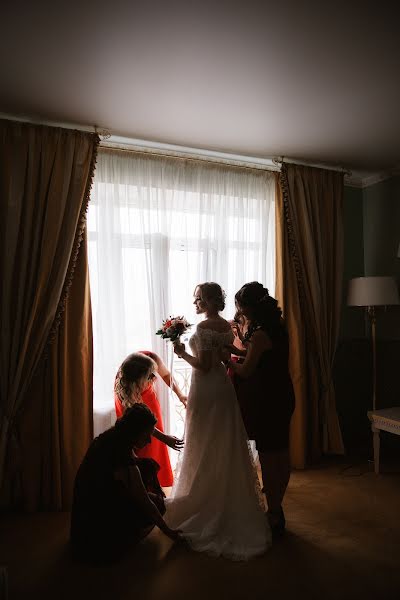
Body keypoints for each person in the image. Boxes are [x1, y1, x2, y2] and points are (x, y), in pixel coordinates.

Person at [166, 282, 271, 560]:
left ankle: (204, 498)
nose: (195, 303)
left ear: (211, 301)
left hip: (205, 389)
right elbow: (227, 356)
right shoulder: (227, 325)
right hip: (223, 389)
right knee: (222, 441)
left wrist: (181, 353)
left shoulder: (202, 329)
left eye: (199, 299)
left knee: (203, 441)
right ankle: (222, 494)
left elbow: (204, 365)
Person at [70, 403, 182, 563]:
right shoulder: (121, 453)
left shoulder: (114, 437)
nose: (150, 441)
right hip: (96, 514)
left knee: (147, 466)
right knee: (156, 504)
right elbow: (143, 499)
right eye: (147, 435)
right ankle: (117, 537)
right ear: (136, 432)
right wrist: (169, 532)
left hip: (87, 506)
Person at [227, 282, 295, 536]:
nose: (240, 312)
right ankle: (277, 507)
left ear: (251, 308)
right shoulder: (275, 328)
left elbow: (246, 369)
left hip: (268, 399)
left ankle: (274, 511)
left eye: (241, 308)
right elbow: (258, 357)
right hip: (282, 393)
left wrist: (227, 361)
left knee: (268, 455)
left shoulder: (258, 334)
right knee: (281, 450)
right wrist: (235, 349)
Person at [114, 352, 184, 486]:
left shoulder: (152, 358)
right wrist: (164, 437)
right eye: (150, 376)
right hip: (131, 394)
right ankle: (142, 482)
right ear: (137, 379)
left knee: (155, 440)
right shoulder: (124, 393)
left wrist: (180, 395)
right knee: (139, 439)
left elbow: (166, 375)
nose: (154, 379)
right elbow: (138, 421)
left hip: (145, 392)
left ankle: (159, 479)